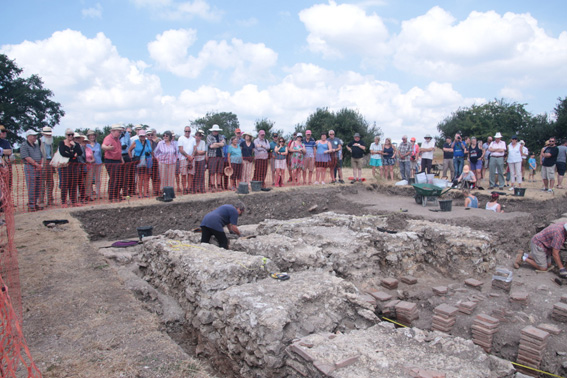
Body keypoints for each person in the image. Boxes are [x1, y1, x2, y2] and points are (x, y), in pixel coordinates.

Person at [59, 128, 83, 207]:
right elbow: (63, 153)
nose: (71, 136)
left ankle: (73, 201)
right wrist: (73, 155)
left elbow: (80, 152)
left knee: (74, 183)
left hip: (74, 165)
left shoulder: (76, 144)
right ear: (66, 135)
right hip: (65, 166)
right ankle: (63, 201)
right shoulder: (62, 143)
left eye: (72, 134)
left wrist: (74, 146)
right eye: (69, 134)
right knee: (65, 183)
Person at [20, 130, 43, 211]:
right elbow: (26, 157)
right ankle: (31, 204)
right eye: (33, 135)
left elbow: (41, 155)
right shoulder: (24, 145)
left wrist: (40, 164)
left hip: (38, 167)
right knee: (31, 186)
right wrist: (36, 164)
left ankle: (35, 203)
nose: (35, 137)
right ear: (28, 136)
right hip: (30, 167)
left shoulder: (36, 145)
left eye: (35, 135)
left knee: (38, 186)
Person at [102, 124, 124, 202]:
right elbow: (103, 146)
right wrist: (108, 148)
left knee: (119, 178)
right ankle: (112, 196)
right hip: (110, 161)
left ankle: (117, 194)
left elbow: (119, 151)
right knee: (114, 178)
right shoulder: (108, 138)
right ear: (113, 131)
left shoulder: (118, 140)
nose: (120, 133)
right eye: (119, 132)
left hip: (117, 160)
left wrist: (122, 159)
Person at [128, 129, 152, 198]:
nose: (142, 137)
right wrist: (131, 159)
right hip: (140, 161)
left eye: (143, 136)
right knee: (140, 178)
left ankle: (145, 193)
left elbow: (151, 151)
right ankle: (140, 193)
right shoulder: (135, 142)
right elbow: (129, 150)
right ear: (139, 136)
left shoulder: (148, 142)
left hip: (148, 160)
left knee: (146, 178)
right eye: (141, 136)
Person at [205, 124, 225, 192]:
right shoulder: (209, 136)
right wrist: (220, 144)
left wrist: (216, 144)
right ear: (212, 131)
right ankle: (212, 185)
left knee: (219, 172)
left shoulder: (221, 136)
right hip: (212, 156)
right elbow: (211, 146)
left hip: (220, 156)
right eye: (214, 131)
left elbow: (223, 144)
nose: (216, 132)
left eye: (217, 131)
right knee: (212, 172)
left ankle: (219, 185)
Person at [39, 126, 55, 207]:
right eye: (47, 134)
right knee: (42, 182)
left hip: (50, 162)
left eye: (49, 134)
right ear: (43, 134)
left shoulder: (50, 142)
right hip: (43, 162)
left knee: (51, 182)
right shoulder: (39, 142)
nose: (49, 136)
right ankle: (41, 200)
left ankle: (50, 200)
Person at [84, 130, 102, 201]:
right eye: (90, 135)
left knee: (98, 179)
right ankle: (90, 193)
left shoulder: (98, 145)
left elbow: (100, 154)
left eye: (93, 135)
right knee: (90, 179)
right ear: (88, 137)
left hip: (98, 163)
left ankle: (98, 193)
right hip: (89, 164)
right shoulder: (86, 145)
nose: (92, 137)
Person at [177, 126, 195, 194]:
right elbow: (180, 149)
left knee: (191, 174)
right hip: (183, 158)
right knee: (183, 174)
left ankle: (189, 188)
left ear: (190, 132)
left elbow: (195, 148)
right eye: (186, 131)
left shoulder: (193, 139)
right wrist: (188, 156)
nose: (187, 132)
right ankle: (184, 188)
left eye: (189, 131)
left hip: (192, 158)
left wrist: (192, 156)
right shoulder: (181, 138)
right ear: (184, 131)